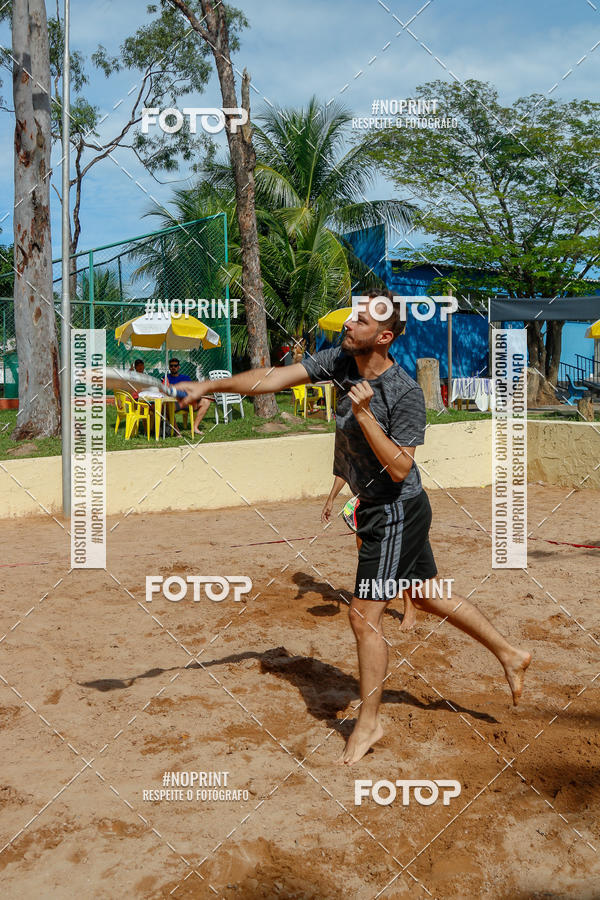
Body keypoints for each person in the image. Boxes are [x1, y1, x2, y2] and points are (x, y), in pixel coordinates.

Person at [179, 291, 531, 765]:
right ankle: (510, 653)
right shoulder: (340, 360)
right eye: (351, 316)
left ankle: (370, 722)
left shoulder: (403, 392)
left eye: (360, 321)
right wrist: (211, 387)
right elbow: (273, 377)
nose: (349, 324)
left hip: (395, 511)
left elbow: (402, 467)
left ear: (383, 337)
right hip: (378, 508)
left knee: (363, 618)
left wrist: (364, 415)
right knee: (424, 595)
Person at [322, 475, 417, 631]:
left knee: (402, 557)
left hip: (394, 501)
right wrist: (331, 498)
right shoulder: (352, 451)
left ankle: (410, 611)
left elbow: (401, 470)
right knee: (366, 555)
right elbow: (342, 471)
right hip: (365, 504)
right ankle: (375, 597)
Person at [165, 358, 211, 436]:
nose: (173, 367)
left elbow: (191, 390)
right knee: (167, 407)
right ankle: (177, 432)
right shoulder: (166, 378)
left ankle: (195, 428)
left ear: (178, 367)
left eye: (175, 365)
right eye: (171, 366)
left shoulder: (185, 378)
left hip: (188, 401)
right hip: (174, 402)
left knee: (206, 401)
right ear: (169, 367)